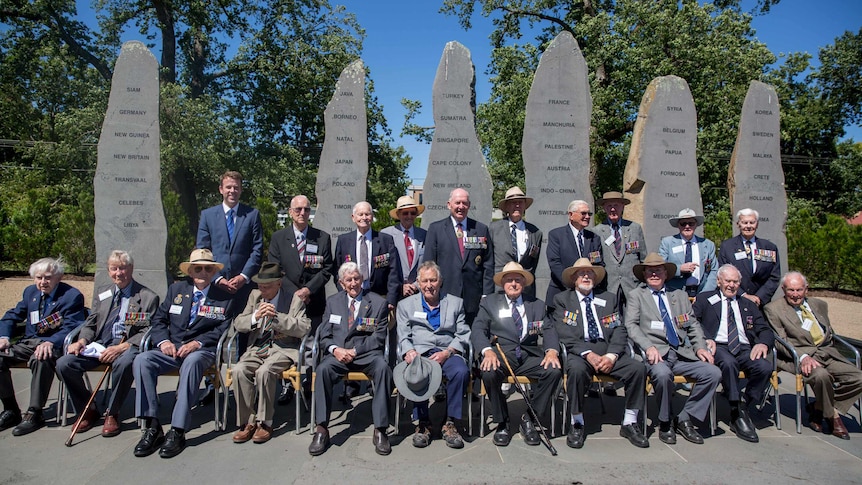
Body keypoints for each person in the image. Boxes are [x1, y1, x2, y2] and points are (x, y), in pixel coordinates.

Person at [132, 249, 236, 458]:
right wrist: (163, 342)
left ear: (214, 271)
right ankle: (152, 426)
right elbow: (159, 320)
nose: (203, 272)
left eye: (208, 268)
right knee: (142, 360)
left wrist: (197, 342)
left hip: (202, 351)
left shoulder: (224, 297)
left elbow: (222, 329)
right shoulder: (176, 290)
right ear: (190, 271)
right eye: (198, 268)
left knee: (192, 362)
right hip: (171, 349)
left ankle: (178, 430)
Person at [56, 250, 160, 437]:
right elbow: (91, 323)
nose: (118, 273)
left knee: (124, 362)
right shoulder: (103, 292)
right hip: (100, 344)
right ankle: (88, 409)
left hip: (127, 345)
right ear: (109, 270)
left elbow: (148, 331)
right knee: (64, 363)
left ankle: (112, 412)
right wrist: (82, 340)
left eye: (123, 268)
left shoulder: (147, 297)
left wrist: (122, 347)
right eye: (114, 269)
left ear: (131, 269)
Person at [624, 253, 721, 445]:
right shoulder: (636, 296)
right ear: (644, 274)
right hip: (656, 354)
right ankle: (665, 421)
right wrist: (648, 347)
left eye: (658, 270)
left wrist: (700, 347)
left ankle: (685, 418)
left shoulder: (680, 296)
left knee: (713, 373)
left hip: (683, 352)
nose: (654, 274)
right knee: (662, 375)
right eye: (650, 271)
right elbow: (631, 325)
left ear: (666, 274)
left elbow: (692, 324)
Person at [552, 258, 648, 449]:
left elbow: (619, 330)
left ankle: (630, 422)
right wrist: (588, 354)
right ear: (574, 278)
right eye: (581, 273)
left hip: (608, 351)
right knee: (577, 372)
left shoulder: (610, 298)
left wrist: (612, 355)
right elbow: (564, 333)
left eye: (590, 273)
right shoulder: (562, 300)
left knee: (638, 368)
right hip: (580, 353)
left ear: (595, 278)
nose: (586, 276)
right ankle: (577, 422)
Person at [764, 272, 862, 440]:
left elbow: (829, 332)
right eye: (791, 290)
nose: (795, 294)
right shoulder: (773, 309)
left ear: (806, 289)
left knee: (858, 378)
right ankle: (833, 418)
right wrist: (802, 357)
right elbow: (780, 341)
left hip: (827, 352)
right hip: (798, 356)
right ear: (783, 289)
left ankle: (819, 406)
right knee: (821, 376)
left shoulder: (819, 304)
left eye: (799, 290)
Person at [472, 262, 560, 447]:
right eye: (509, 280)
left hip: (529, 355)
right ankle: (502, 421)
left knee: (553, 370)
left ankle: (529, 418)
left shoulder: (537, 304)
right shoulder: (489, 303)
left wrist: (552, 351)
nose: (513, 283)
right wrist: (487, 351)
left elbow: (549, 329)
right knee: (488, 373)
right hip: (502, 355)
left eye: (517, 280)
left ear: (524, 283)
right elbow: (478, 329)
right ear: (502, 283)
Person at [309, 262, 392, 456]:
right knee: (322, 370)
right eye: (349, 279)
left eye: (357, 278)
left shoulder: (377, 303)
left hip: (366, 354)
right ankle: (321, 428)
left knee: (383, 368)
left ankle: (380, 429)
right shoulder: (333, 302)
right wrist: (335, 349)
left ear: (362, 280)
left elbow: (378, 337)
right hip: (338, 354)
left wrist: (354, 351)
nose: (353, 283)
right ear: (341, 283)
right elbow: (324, 334)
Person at [0, 257, 86, 436]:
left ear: (58, 277)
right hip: (28, 342)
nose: (42, 282)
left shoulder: (71, 296)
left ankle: (35, 412)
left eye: (47, 277)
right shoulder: (30, 293)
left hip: (54, 344)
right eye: (38, 278)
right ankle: (11, 409)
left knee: (41, 358)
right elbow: (12, 315)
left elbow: (73, 326)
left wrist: (51, 342)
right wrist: (4, 336)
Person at [693, 264, 774, 443]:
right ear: (719, 281)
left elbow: (765, 329)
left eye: (735, 281)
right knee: (729, 364)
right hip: (718, 345)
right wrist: (705, 338)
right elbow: (694, 322)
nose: (731, 285)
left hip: (745, 347)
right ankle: (736, 410)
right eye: (728, 281)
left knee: (764, 366)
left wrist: (762, 343)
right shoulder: (705, 299)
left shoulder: (747, 304)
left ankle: (745, 402)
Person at [230, 262, 310, 444]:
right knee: (239, 370)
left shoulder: (293, 300)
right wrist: (254, 317)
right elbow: (238, 324)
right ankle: (247, 421)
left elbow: (304, 328)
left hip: (282, 348)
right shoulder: (254, 296)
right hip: (257, 347)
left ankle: (265, 422)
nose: (262, 290)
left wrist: (277, 319)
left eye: (266, 287)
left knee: (265, 372)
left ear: (278, 284)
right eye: (260, 286)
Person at [397, 261, 471, 449]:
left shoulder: (455, 303)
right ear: (418, 284)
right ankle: (423, 424)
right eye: (425, 281)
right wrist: (409, 350)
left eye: (433, 280)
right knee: (416, 372)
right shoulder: (405, 305)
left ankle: (450, 422)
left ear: (440, 282)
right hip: (420, 353)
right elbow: (403, 335)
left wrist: (448, 352)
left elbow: (463, 333)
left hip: (446, 351)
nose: (429, 285)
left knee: (460, 371)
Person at [268, 194, 333, 403]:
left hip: (313, 301)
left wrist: (307, 290)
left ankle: (309, 383)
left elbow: (327, 269)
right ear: (290, 212)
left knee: (313, 343)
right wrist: (294, 293)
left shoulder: (322, 237)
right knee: (286, 343)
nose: (303, 213)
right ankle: (286, 385)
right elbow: (275, 268)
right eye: (298, 209)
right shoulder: (279, 238)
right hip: (287, 301)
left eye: (306, 209)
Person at [422, 188, 494, 325]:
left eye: (464, 203)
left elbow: (488, 264)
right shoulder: (435, 229)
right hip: (444, 295)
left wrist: (487, 294)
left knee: (472, 338)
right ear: (449, 204)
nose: (461, 207)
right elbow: (428, 265)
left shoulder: (480, 229)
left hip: (473, 297)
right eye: (457, 203)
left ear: (469, 205)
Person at [196, 170, 263, 303]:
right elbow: (202, 250)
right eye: (228, 187)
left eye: (236, 187)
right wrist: (217, 278)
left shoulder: (252, 215)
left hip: (244, 287)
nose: (232, 191)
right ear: (221, 189)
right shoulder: (207, 216)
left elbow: (257, 249)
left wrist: (244, 277)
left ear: (241, 190)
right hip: (215, 286)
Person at [334, 201, 401, 309]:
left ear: (372, 216)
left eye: (367, 214)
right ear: (353, 217)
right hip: (352, 297)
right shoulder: (344, 241)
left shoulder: (385, 240)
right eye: (360, 214)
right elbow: (337, 270)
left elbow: (394, 272)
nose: (364, 217)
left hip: (380, 298)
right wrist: (344, 293)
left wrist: (391, 300)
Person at [592, 191, 646, 310]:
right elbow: (595, 262)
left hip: (633, 285)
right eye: (609, 206)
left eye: (616, 205)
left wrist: (642, 284)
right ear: (604, 208)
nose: (612, 209)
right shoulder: (596, 231)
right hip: (609, 286)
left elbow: (643, 258)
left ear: (623, 206)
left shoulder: (634, 228)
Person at [545, 199, 603, 310]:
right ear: (571, 215)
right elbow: (554, 262)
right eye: (583, 213)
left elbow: (599, 264)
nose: (587, 216)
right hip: (562, 291)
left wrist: (588, 284)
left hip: (587, 293)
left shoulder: (594, 238)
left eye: (589, 214)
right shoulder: (556, 235)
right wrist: (572, 283)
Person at [717, 208, 780, 306]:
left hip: (761, 303)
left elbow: (774, 276)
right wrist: (743, 295)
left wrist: (760, 297)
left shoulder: (769, 247)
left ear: (757, 224)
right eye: (745, 222)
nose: (748, 226)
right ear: (738, 224)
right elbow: (722, 274)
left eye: (752, 222)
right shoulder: (727, 247)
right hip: (736, 299)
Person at [489, 187, 543, 299]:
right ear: (507, 206)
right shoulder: (493, 229)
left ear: (525, 206)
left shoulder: (535, 232)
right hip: (500, 289)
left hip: (525, 290)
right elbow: (488, 261)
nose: (517, 205)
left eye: (520, 202)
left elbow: (534, 263)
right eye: (513, 203)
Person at [658, 208, 717, 298]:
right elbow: (660, 266)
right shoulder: (668, 243)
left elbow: (714, 270)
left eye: (691, 223)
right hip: (675, 292)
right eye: (683, 223)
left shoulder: (707, 244)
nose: (687, 226)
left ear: (696, 224)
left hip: (700, 292)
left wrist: (705, 293)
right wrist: (679, 269)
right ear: (678, 225)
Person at [381, 195, 427, 300]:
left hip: (419, 293)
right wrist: (400, 286)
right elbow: (383, 268)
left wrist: (416, 285)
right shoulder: (386, 235)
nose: (409, 216)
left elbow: (428, 263)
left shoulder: (424, 235)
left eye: (413, 213)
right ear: (398, 214)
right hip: (395, 295)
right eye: (405, 213)